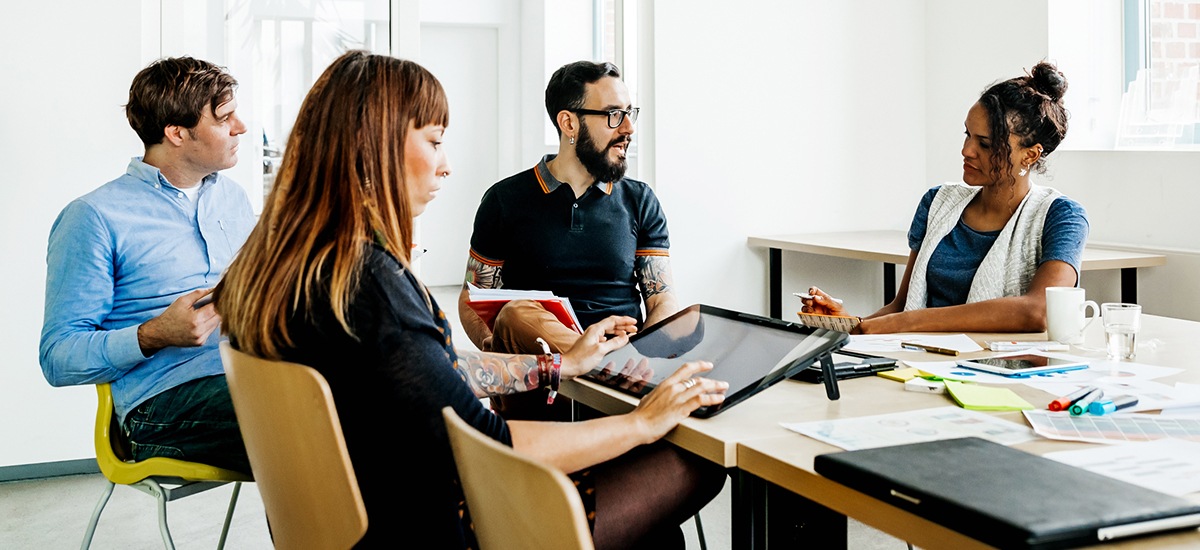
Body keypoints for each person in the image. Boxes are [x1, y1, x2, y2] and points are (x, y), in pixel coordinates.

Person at [214, 50, 728, 549]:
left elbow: (432, 371)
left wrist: (558, 369)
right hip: (455, 527)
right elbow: (492, 444)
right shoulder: (371, 283)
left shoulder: (285, 270)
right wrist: (639, 424)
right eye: (435, 142)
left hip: (367, 517)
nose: (446, 166)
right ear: (375, 146)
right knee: (699, 459)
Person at [39, 57, 255, 473]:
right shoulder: (93, 217)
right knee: (324, 419)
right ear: (176, 132)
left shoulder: (233, 198)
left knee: (375, 388)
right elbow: (58, 357)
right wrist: (155, 334)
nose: (241, 127)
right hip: (162, 405)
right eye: (225, 117)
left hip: (251, 372)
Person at [458, 60, 681, 419]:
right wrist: (498, 345)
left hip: (626, 370)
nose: (628, 128)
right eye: (613, 115)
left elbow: (662, 301)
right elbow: (473, 297)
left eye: (629, 113)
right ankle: (602, 365)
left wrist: (642, 357)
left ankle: (607, 368)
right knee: (515, 314)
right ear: (568, 123)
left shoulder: (639, 200)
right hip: (541, 377)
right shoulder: (505, 199)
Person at [802, 61, 1088, 334]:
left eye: (985, 144)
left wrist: (909, 323)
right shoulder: (937, 203)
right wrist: (852, 324)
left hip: (998, 376)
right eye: (968, 135)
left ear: (1031, 154)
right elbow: (901, 308)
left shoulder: (1061, 217)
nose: (967, 151)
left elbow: (1038, 312)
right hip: (918, 368)